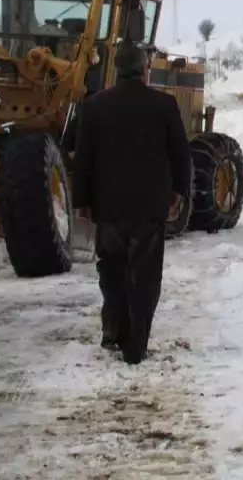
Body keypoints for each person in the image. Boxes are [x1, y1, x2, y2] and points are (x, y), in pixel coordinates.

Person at [72, 40, 191, 365]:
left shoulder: (95, 106)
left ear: (115, 70)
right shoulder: (164, 105)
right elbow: (181, 155)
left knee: (111, 271)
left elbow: (83, 159)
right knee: (144, 275)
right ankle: (135, 347)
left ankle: (113, 331)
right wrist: (179, 194)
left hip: (108, 207)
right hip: (149, 208)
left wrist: (81, 201)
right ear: (143, 70)